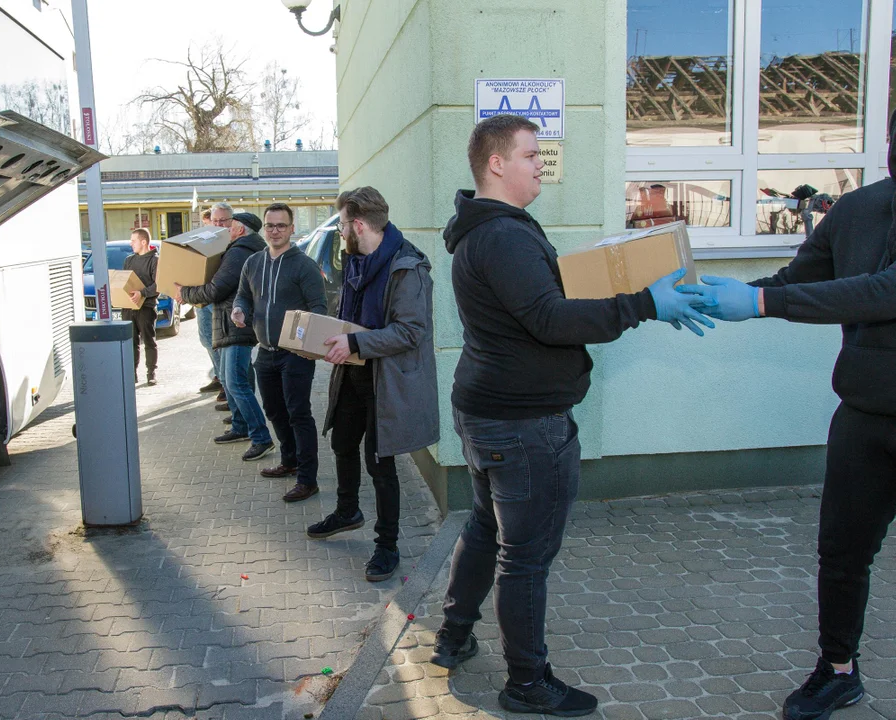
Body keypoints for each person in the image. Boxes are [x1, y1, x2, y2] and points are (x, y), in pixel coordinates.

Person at [432, 114, 713, 717]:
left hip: (489, 411)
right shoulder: (502, 235)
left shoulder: (488, 230)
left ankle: (453, 635)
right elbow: (550, 319)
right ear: (496, 163)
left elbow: (539, 303)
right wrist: (645, 303)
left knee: (486, 527)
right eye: (531, 154)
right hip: (523, 423)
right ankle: (527, 683)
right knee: (524, 555)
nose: (542, 164)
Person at [675, 111, 896, 720]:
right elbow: (801, 278)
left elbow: (882, 291)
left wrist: (764, 300)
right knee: (841, 553)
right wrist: (729, 294)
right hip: (865, 413)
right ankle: (838, 670)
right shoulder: (856, 211)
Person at [306, 186, 438, 583]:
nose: (341, 230)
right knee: (342, 443)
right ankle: (348, 511)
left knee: (379, 464)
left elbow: (410, 331)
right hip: (353, 373)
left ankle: (387, 545)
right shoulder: (355, 259)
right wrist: (322, 339)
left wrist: (355, 343)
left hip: (387, 382)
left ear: (358, 224)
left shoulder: (408, 267)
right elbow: (349, 314)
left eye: (343, 224)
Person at [232, 203, 327, 502]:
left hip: (295, 354)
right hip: (266, 351)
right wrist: (239, 309)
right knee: (274, 410)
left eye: (281, 226)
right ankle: (289, 460)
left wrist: (310, 346)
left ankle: (307, 479)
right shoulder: (254, 263)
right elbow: (243, 295)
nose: (275, 231)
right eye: (270, 225)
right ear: (265, 228)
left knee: (298, 413)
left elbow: (319, 310)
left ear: (291, 228)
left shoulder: (304, 265)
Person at [176, 213, 274, 458]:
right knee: (237, 381)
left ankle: (261, 437)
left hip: (236, 325)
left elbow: (216, 288)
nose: (226, 230)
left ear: (240, 230)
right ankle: (241, 427)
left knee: (236, 383)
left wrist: (184, 293)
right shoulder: (245, 250)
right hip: (234, 323)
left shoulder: (239, 252)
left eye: (229, 226)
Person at [123, 227, 159, 386]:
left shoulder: (155, 260)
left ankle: (151, 373)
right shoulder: (129, 260)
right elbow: (124, 281)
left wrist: (142, 293)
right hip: (128, 307)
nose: (131, 243)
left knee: (149, 341)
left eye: (134, 240)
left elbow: (159, 285)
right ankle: (132, 374)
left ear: (143, 242)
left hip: (146, 307)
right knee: (131, 342)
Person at [196, 205, 225, 401]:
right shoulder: (201, 242)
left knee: (219, 343)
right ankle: (218, 376)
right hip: (201, 298)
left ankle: (225, 383)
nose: (212, 227)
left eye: (216, 222)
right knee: (206, 340)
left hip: (216, 299)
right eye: (209, 223)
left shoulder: (227, 244)